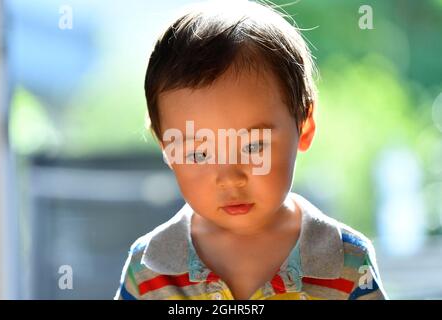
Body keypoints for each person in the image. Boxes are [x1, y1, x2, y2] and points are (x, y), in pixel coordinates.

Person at [115, 0, 388, 300]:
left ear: (304, 127)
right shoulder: (148, 270)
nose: (230, 178)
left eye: (253, 147)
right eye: (199, 154)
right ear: (167, 149)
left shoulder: (347, 263)